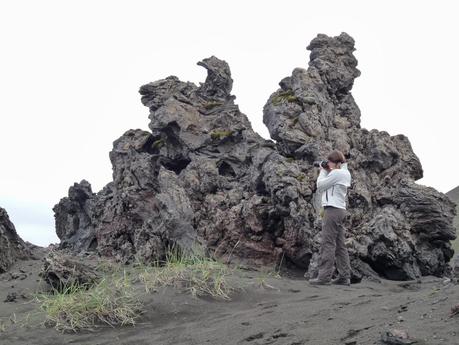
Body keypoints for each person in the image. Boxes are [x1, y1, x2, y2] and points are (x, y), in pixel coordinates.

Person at [309, 150, 352, 286]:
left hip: (332, 210)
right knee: (340, 245)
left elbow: (320, 186)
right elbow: (331, 182)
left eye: (331, 162)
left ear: (338, 163)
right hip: (340, 210)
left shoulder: (337, 173)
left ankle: (324, 277)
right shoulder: (345, 173)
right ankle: (344, 277)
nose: (329, 165)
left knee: (327, 244)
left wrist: (322, 170)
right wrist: (328, 169)